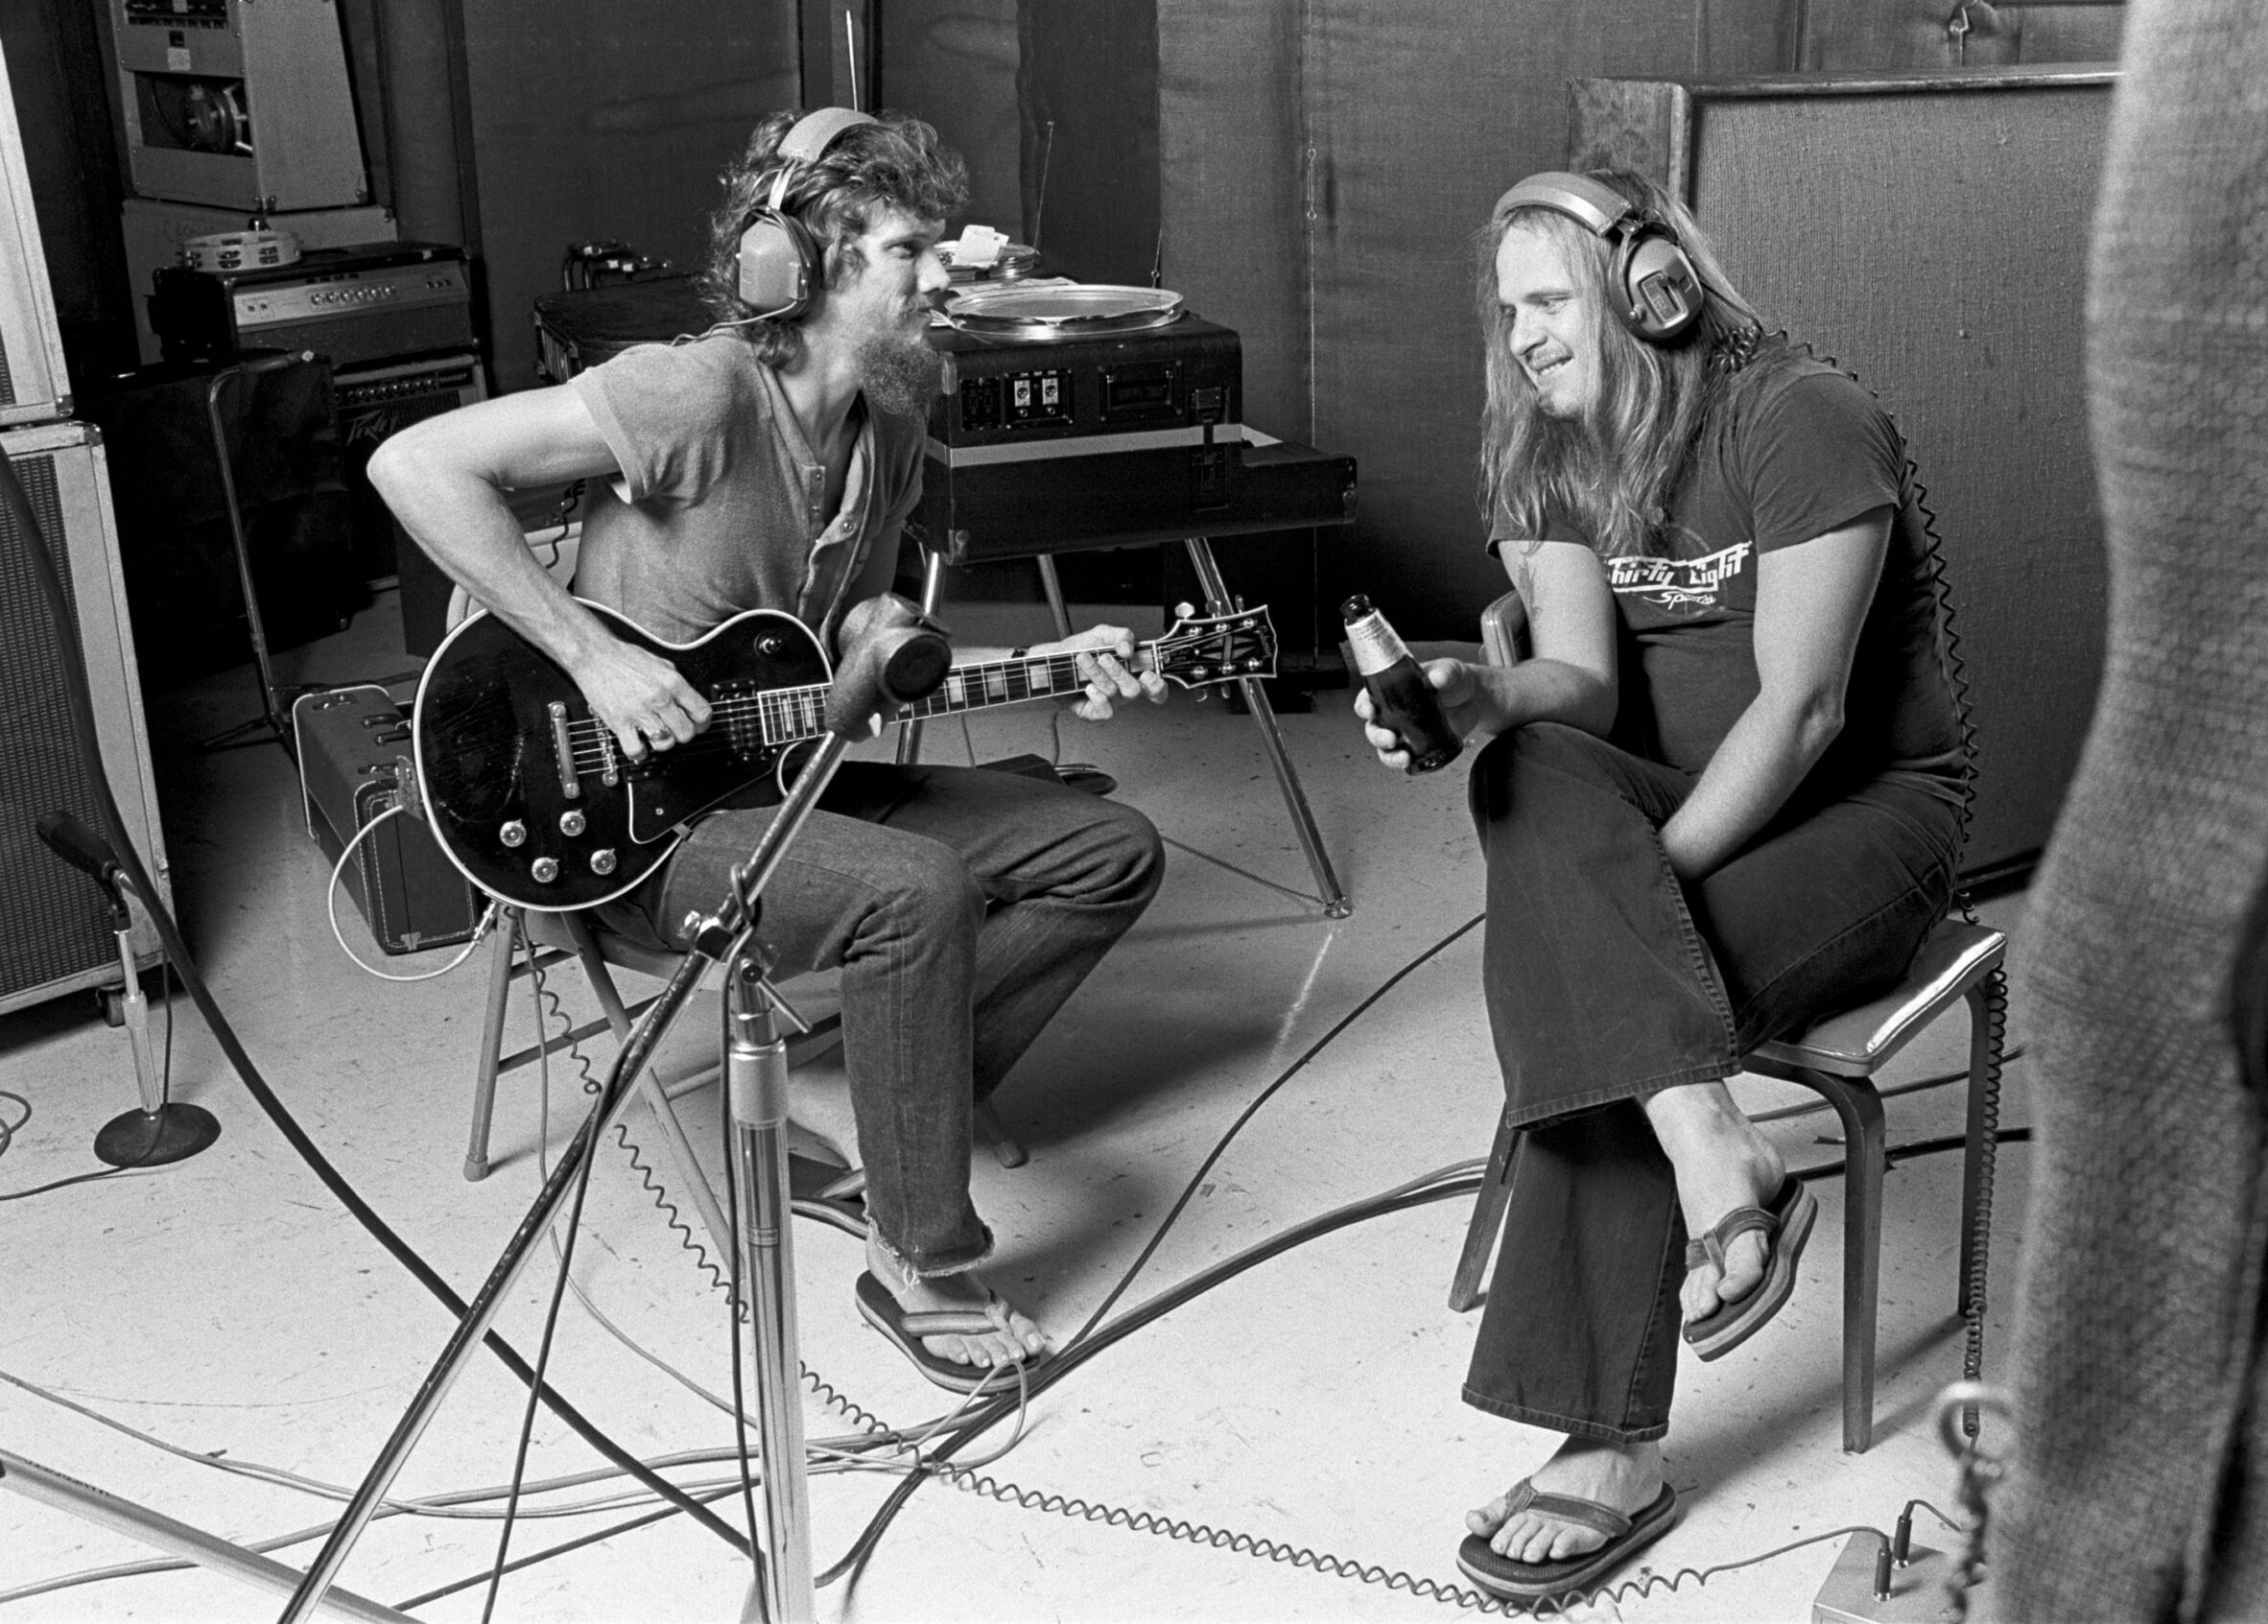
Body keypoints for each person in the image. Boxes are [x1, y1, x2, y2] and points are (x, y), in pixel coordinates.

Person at [370, 107, 1168, 1394]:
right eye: (909, 251)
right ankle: (918, 1257)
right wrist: (590, 655)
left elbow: (854, 612)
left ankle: (863, 1090)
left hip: (773, 776)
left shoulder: (890, 421)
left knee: (1107, 848)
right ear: (806, 265)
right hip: (636, 831)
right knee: (915, 892)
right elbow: (415, 466)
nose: (940, 277)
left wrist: (938, 640)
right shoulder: (693, 392)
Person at [1355, 168, 1969, 1602]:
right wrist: (1487, 697)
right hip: (1662, 792)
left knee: (1618, 978)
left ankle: (1604, 1443)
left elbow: (1805, 715)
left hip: (1863, 815)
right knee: (1532, 774)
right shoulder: (1543, 443)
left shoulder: (1800, 415)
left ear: (1651, 288)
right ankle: (1714, 1147)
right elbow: (1579, 681)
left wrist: (1629, 894)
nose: (1524, 338)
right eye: (1509, 312)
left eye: (1549, 302)